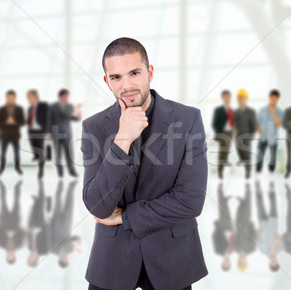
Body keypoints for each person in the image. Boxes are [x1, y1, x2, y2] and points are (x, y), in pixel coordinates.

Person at [81, 37, 207, 290]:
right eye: (116, 77)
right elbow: (97, 205)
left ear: (149, 72)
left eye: (135, 73)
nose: (126, 85)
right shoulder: (93, 127)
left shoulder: (188, 119)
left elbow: (190, 201)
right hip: (112, 262)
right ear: (107, 81)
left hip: (171, 259)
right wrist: (122, 140)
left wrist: (126, 217)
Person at [48, 88, 82, 178]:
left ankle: (71, 171)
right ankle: (60, 171)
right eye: (65, 96)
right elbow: (49, 120)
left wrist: (78, 116)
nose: (66, 98)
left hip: (67, 132)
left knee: (69, 152)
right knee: (58, 153)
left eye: (67, 96)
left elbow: (73, 118)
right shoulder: (53, 107)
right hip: (56, 132)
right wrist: (48, 133)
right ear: (61, 96)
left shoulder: (70, 106)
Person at [255, 181, 283, 272]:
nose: (273, 260)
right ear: (278, 261)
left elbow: (256, 236)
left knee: (259, 203)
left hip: (262, 221)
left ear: (269, 263)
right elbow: (279, 237)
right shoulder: (279, 249)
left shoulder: (261, 251)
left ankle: (257, 184)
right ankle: (271, 182)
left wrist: (260, 227)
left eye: (272, 262)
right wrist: (273, 249)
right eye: (276, 261)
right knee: (273, 202)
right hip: (273, 220)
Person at [0, 90, 25, 176]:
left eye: (12, 98)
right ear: (6, 98)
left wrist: (14, 122)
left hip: (15, 135)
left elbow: (23, 122)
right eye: (9, 98)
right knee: (3, 153)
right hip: (4, 135)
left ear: (15, 98)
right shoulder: (1, 109)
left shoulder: (19, 109)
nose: (10, 99)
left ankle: (17, 168)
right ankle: (1, 168)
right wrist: (6, 122)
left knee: (16, 153)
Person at [256, 89, 283, 175]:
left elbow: (278, 124)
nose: (274, 101)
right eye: (272, 99)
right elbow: (258, 122)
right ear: (269, 98)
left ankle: (271, 176)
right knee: (259, 159)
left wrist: (273, 112)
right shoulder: (262, 110)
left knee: (272, 161)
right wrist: (259, 131)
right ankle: (257, 174)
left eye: (276, 99)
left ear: (278, 100)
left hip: (273, 136)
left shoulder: (279, 111)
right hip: (263, 136)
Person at [233, 183, 258, 273]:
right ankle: (248, 189)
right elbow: (254, 235)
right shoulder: (251, 249)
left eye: (239, 263)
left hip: (238, 224)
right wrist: (250, 225)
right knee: (248, 206)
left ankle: (242, 201)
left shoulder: (235, 249)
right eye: (242, 263)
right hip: (246, 223)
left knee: (240, 210)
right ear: (246, 262)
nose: (241, 261)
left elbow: (234, 236)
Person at [233, 89, 258, 179]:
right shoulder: (236, 112)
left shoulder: (251, 112)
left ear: (246, 99)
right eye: (240, 98)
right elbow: (234, 123)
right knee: (239, 150)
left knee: (247, 154)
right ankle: (242, 160)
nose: (241, 100)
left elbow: (254, 125)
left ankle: (248, 172)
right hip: (238, 136)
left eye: (243, 98)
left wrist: (250, 137)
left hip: (246, 136)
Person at [26, 89, 50, 179]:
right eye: (27, 97)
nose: (28, 98)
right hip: (31, 131)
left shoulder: (43, 105)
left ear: (35, 96)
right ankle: (36, 156)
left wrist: (47, 132)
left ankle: (41, 170)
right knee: (34, 148)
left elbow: (48, 118)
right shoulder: (30, 108)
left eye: (29, 96)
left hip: (41, 131)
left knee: (40, 150)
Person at [211, 90, 234, 179]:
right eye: (225, 97)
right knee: (222, 151)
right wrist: (219, 133)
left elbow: (232, 121)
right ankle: (220, 171)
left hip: (230, 132)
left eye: (228, 97)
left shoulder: (231, 109)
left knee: (226, 150)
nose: (227, 99)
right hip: (223, 132)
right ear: (223, 98)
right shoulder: (219, 110)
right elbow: (214, 123)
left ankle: (223, 166)